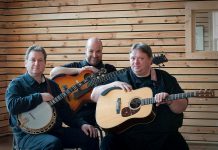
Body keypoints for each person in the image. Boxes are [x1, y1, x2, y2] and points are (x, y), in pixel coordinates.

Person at [91, 43, 189, 150]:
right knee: (107, 144)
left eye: (141, 58)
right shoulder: (119, 77)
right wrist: (113, 85)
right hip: (125, 136)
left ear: (150, 60)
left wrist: (170, 100)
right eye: (133, 58)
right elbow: (94, 95)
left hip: (162, 135)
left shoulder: (164, 78)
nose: (135, 62)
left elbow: (181, 107)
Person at [5, 45, 99, 150]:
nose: (36, 63)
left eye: (40, 60)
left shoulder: (52, 85)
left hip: (54, 131)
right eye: (33, 60)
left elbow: (66, 112)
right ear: (26, 63)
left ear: (45, 63)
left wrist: (82, 124)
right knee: (53, 143)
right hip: (27, 136)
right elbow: (12, 106)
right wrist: (39, 97)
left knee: (91, 136)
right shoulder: (17, 84)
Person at [50, 37, 116, 126]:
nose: (95, 55)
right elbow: (53, 72)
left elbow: (116, 87)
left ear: (102, 52)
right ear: (85, 51)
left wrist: (97, 72)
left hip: (103, 112)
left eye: (98, 51)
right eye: (91, 51)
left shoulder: (109, 69)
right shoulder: (76, 66)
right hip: (78, 116)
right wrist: (79, 70)